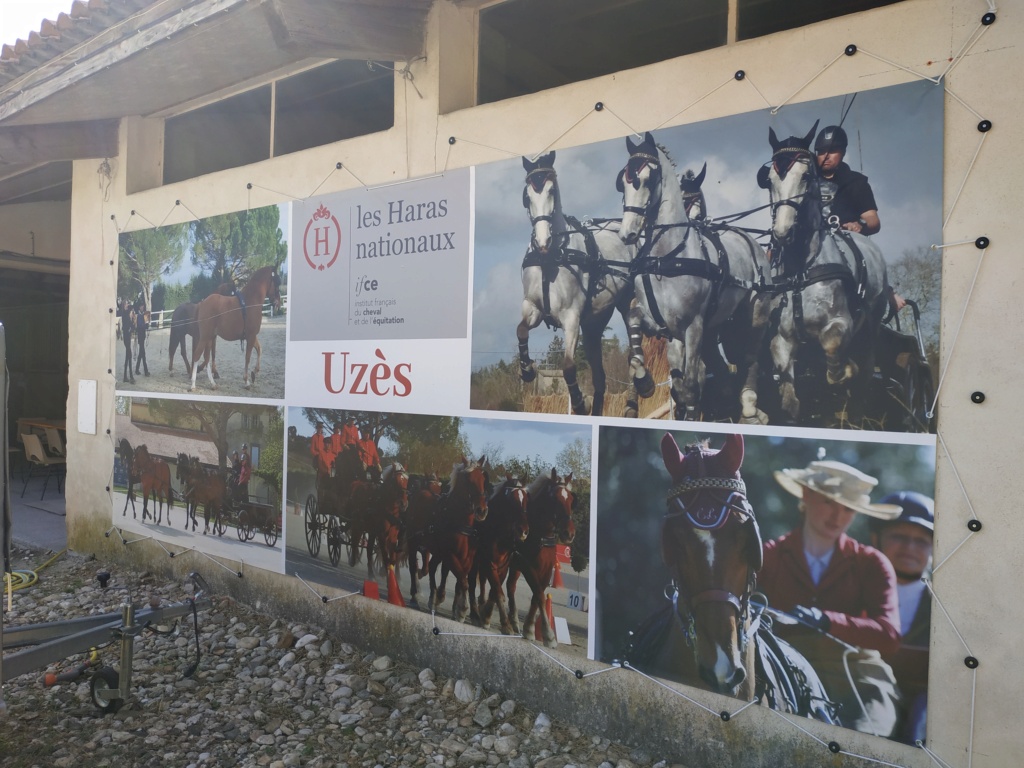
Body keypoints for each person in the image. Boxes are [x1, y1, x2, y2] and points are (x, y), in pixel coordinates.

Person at [759, 459, 903, 736]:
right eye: (828, 502)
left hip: (859, 675)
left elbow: (889, 634)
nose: (837, 517)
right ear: (806, 495)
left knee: (863, 745)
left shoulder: (871, 562)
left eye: (848, 508)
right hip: (786, 670)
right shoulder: (770, 555)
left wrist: (827, 621)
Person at [872, 491, 934, 746]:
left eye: (921, 541)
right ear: (875, 537)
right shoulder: (853, 589)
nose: (910, 547)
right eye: (899, 536)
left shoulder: (948, 604)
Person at [815, 125, 880, 237]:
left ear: (843, 152)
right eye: (821, 151)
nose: (826, 156)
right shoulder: (806, 183)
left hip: (849, 241)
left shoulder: (856, 182)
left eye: (832, 150)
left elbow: (873, 219)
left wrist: (859, 225)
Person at [117, 299, 135, 384]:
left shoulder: (127, 313)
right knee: (129, 356)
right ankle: (130, 376)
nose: (127, 305)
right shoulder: (124, 314)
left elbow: (132, 307)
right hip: (126, 337)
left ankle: (126, 376)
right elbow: (127, 324)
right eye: (126, 304)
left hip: (128, 336)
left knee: (128, 357)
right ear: (123, 305)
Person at [133, 300, 150, 377]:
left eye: (143, 306)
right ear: (139, 307)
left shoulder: (144, 315)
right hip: (140, 337)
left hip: (142, 336)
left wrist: (145, 325)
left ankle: (137, 369)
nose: (142, 307)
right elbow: (139, 326)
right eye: (141, 306)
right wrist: (145, 326)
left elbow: (145, 325)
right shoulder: (138, 316)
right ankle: (146, 371)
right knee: (143, 354)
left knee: (141, 354)